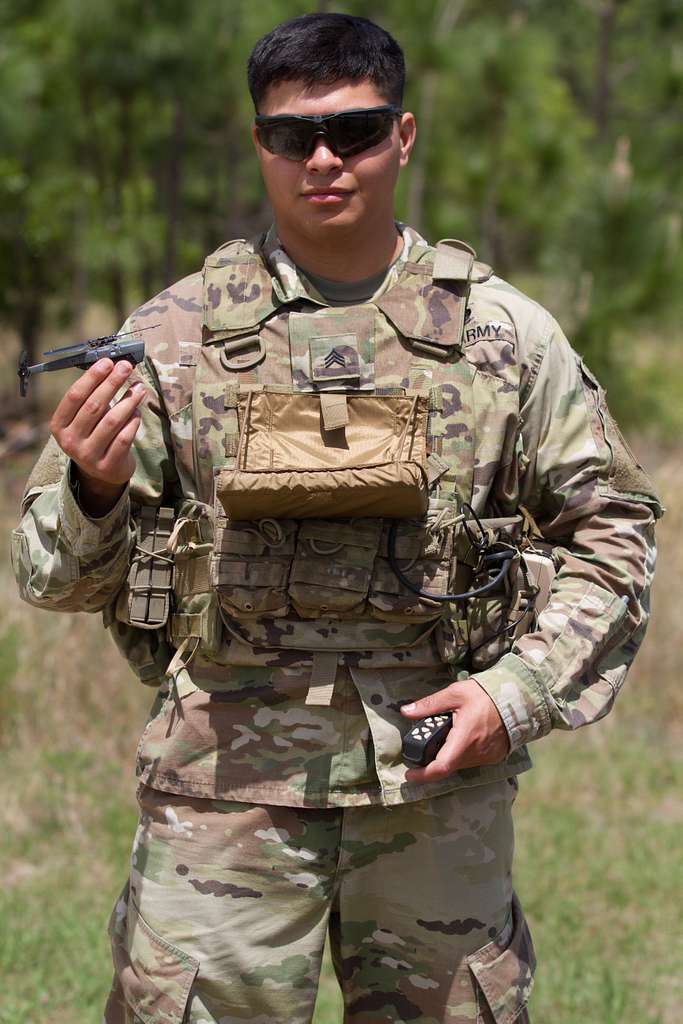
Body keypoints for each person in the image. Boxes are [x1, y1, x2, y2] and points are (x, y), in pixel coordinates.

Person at [12, 12, 662, 1024]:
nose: (323, 158)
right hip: (223, 792)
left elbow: (615, 533)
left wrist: (515, 692)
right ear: (258, 144)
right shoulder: (171, 337)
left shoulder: (504, 337)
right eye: (290, 135)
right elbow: (48, 575)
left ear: (401, 136)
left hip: (434, 788)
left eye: (354, 131)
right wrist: (92, 493)